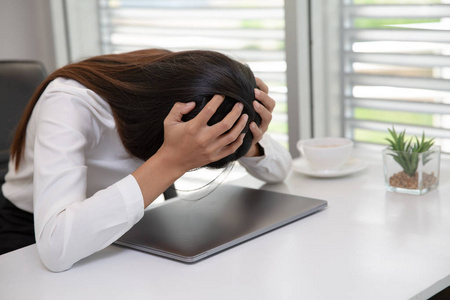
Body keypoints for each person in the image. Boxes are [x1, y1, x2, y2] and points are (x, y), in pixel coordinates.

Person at [0, 49, 292, 271]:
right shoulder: (69, 102)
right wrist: (172, 161)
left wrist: (247, 138)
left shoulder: (184, 83)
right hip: (32, 229)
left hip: (124, 225)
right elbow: (55, 249)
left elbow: (280, 170)